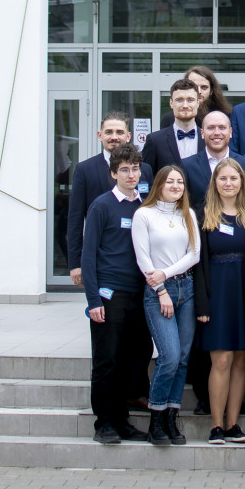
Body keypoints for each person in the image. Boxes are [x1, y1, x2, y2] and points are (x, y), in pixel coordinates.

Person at [81, 144, 150, 445]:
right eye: (124, 170)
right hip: (109, 295)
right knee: (106, 361)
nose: (131, 174)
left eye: (135, 169)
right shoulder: (101, 206)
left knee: (130, 360)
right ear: (113, 173)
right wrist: (93, 300)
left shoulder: (145, 207)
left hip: (138, 295)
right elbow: (88, 256)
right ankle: (104, 423)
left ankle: (122, 422)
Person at [131, 165, 201, 447]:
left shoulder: (188, 214)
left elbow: (194, 254)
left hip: (187, 288)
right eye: (170, 181)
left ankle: (172, 417)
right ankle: (156, 419)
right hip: (157, 291)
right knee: (169, 356)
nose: (175, 186)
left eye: (180, 182)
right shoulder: (144, 215)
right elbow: (143, 259)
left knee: (182, 358)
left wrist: (167, 273)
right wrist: (161, 288)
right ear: (159, 184)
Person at [194, 158, 245, 445]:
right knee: (221, 360)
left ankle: (233, 425)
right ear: (214, 183)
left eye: (233, 178)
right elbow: (198, 264)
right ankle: (216, 426)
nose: (228, 183)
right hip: (216, 294)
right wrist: (202, 304)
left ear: (242, 182)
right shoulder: (203, 215)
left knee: (240, 359)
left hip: (244, 294)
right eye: (223, 178)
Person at [67, 111, 152, 287]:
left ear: (128, 136)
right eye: (109, 132)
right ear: (100, 136)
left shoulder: (145, 169)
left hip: (140, 257)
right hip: (103, 259)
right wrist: (75, 263)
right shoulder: (84, 169)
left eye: (119, 132)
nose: (114, 137)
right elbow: (75, 219)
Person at [182, 111, 245, 214]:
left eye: (222, 128)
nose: (217, 133)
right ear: (202, 133)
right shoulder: (187, 166)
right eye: (211, 128)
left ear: (230, 132)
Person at [142, 79, 205, 175]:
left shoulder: (208, 139)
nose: (185, 105)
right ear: (171, 103)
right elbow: (146, 177)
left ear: (198, 103)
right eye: (179, 100)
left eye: (190, 100)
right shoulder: (155, 141)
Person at [160, 65, 232, 128]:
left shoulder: (224, 117)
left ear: (211, 91)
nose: (199, 91)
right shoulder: (169, 119)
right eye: (194, 86)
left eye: (204, 87)